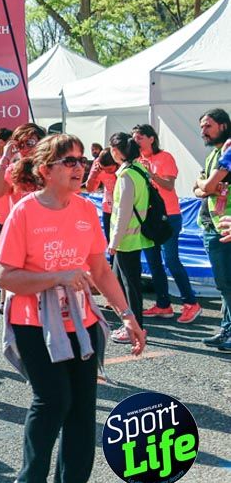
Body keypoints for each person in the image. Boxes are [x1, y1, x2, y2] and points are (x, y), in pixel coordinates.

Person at [0, 134, 145, 483]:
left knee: (82, 408)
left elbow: (99, 269)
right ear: (46, 170)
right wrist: (56, 276)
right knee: (53, 401)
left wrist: (127, 315)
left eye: (81, 160)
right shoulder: (24, 212)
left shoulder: (83, 210)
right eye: (70, 161)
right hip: (33, 323)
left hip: (81, 321)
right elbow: (4, 276)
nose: (80, 167)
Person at [132, 124, 201, 323]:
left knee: (171, 260)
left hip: (169, 216)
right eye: (134, 138)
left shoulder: (165, 157)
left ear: (151, 138)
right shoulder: (136, 160)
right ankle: (163, 305)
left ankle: (191, 303)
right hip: (149, 218)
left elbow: (169, 185)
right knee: (153, 262)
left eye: (139, 138)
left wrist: (151, 174)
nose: (136, 142)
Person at [105, 132, 157, 345]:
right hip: (134, 237)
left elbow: (123, 212)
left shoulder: (126, 175)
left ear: (116, 151)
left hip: (127, 239)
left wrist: (113, 242)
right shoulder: (139, 169)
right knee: (124, 283)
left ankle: (136, 328)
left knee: (129, 286)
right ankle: (131, 326)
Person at [195, 109, 231, 351]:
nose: (203, 131)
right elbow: (199, 188)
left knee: (227, 283)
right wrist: (205, 187)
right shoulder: (214, 155)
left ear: (224, 126)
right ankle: (227, 329)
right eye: (201, 127)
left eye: (208, 126)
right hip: (212, 225)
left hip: (225, 229)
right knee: (224, 284)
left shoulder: (228, 151)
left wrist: (206, 186)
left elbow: (207, 185)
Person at [84, 150, 118, 241]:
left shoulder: (123, 166)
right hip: (108, 207)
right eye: (104, 169)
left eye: (110, 169)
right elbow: (90, 189)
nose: (106, 172)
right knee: (110, 240)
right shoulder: (97, 164)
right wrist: (93, 176)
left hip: (123, 209)